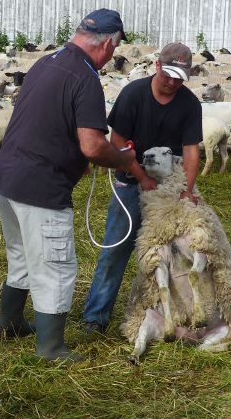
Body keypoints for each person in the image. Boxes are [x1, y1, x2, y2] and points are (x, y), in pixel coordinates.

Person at [0, 9, 141, 361]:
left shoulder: (47, 63)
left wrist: (76, 156)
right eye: (115, 49)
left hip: (8, 177)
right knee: (55, 265)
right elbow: (92, 144)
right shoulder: (85, 77)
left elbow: (46, 120)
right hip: (42, 186)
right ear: (107, 43)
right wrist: (123, 158)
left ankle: (9, 322)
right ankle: (52, 347)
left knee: (23, 255)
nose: (113, 56)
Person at [80, 42, 203, 333]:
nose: (172, 83)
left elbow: (191, 150)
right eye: (168, 75)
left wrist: (187, 189)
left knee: (179, 249)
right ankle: (95, 317)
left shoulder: (189, 104)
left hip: (170, 187)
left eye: (179, 78)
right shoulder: (133, 95)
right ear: (157, 66)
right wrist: (141, 176)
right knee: (116, 247)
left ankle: (176, 316)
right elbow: (117, 141)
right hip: (131, 180)